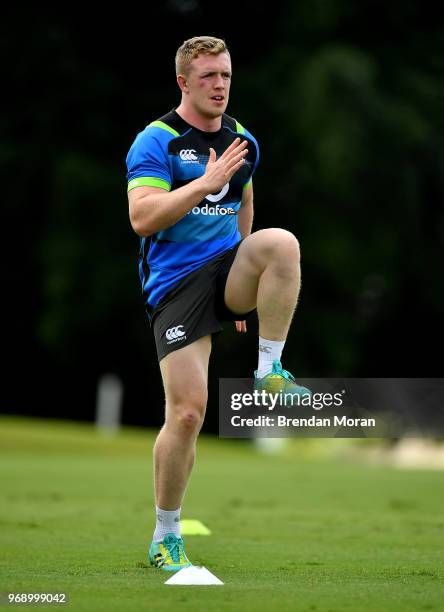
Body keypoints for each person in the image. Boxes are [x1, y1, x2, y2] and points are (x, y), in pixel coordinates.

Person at [126, 35, 311, 572]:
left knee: (281, 243)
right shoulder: (155, 141)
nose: (220, 85)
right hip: (175, 285)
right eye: (208, 76)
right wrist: (204, 181)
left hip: (225, 272)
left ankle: (270, 369)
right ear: (184, 82)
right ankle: (165, 534)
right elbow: (143, 218)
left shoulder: (243, 140)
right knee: (186, 413)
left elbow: (244, 201)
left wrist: (246, 290)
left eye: (226, 75)